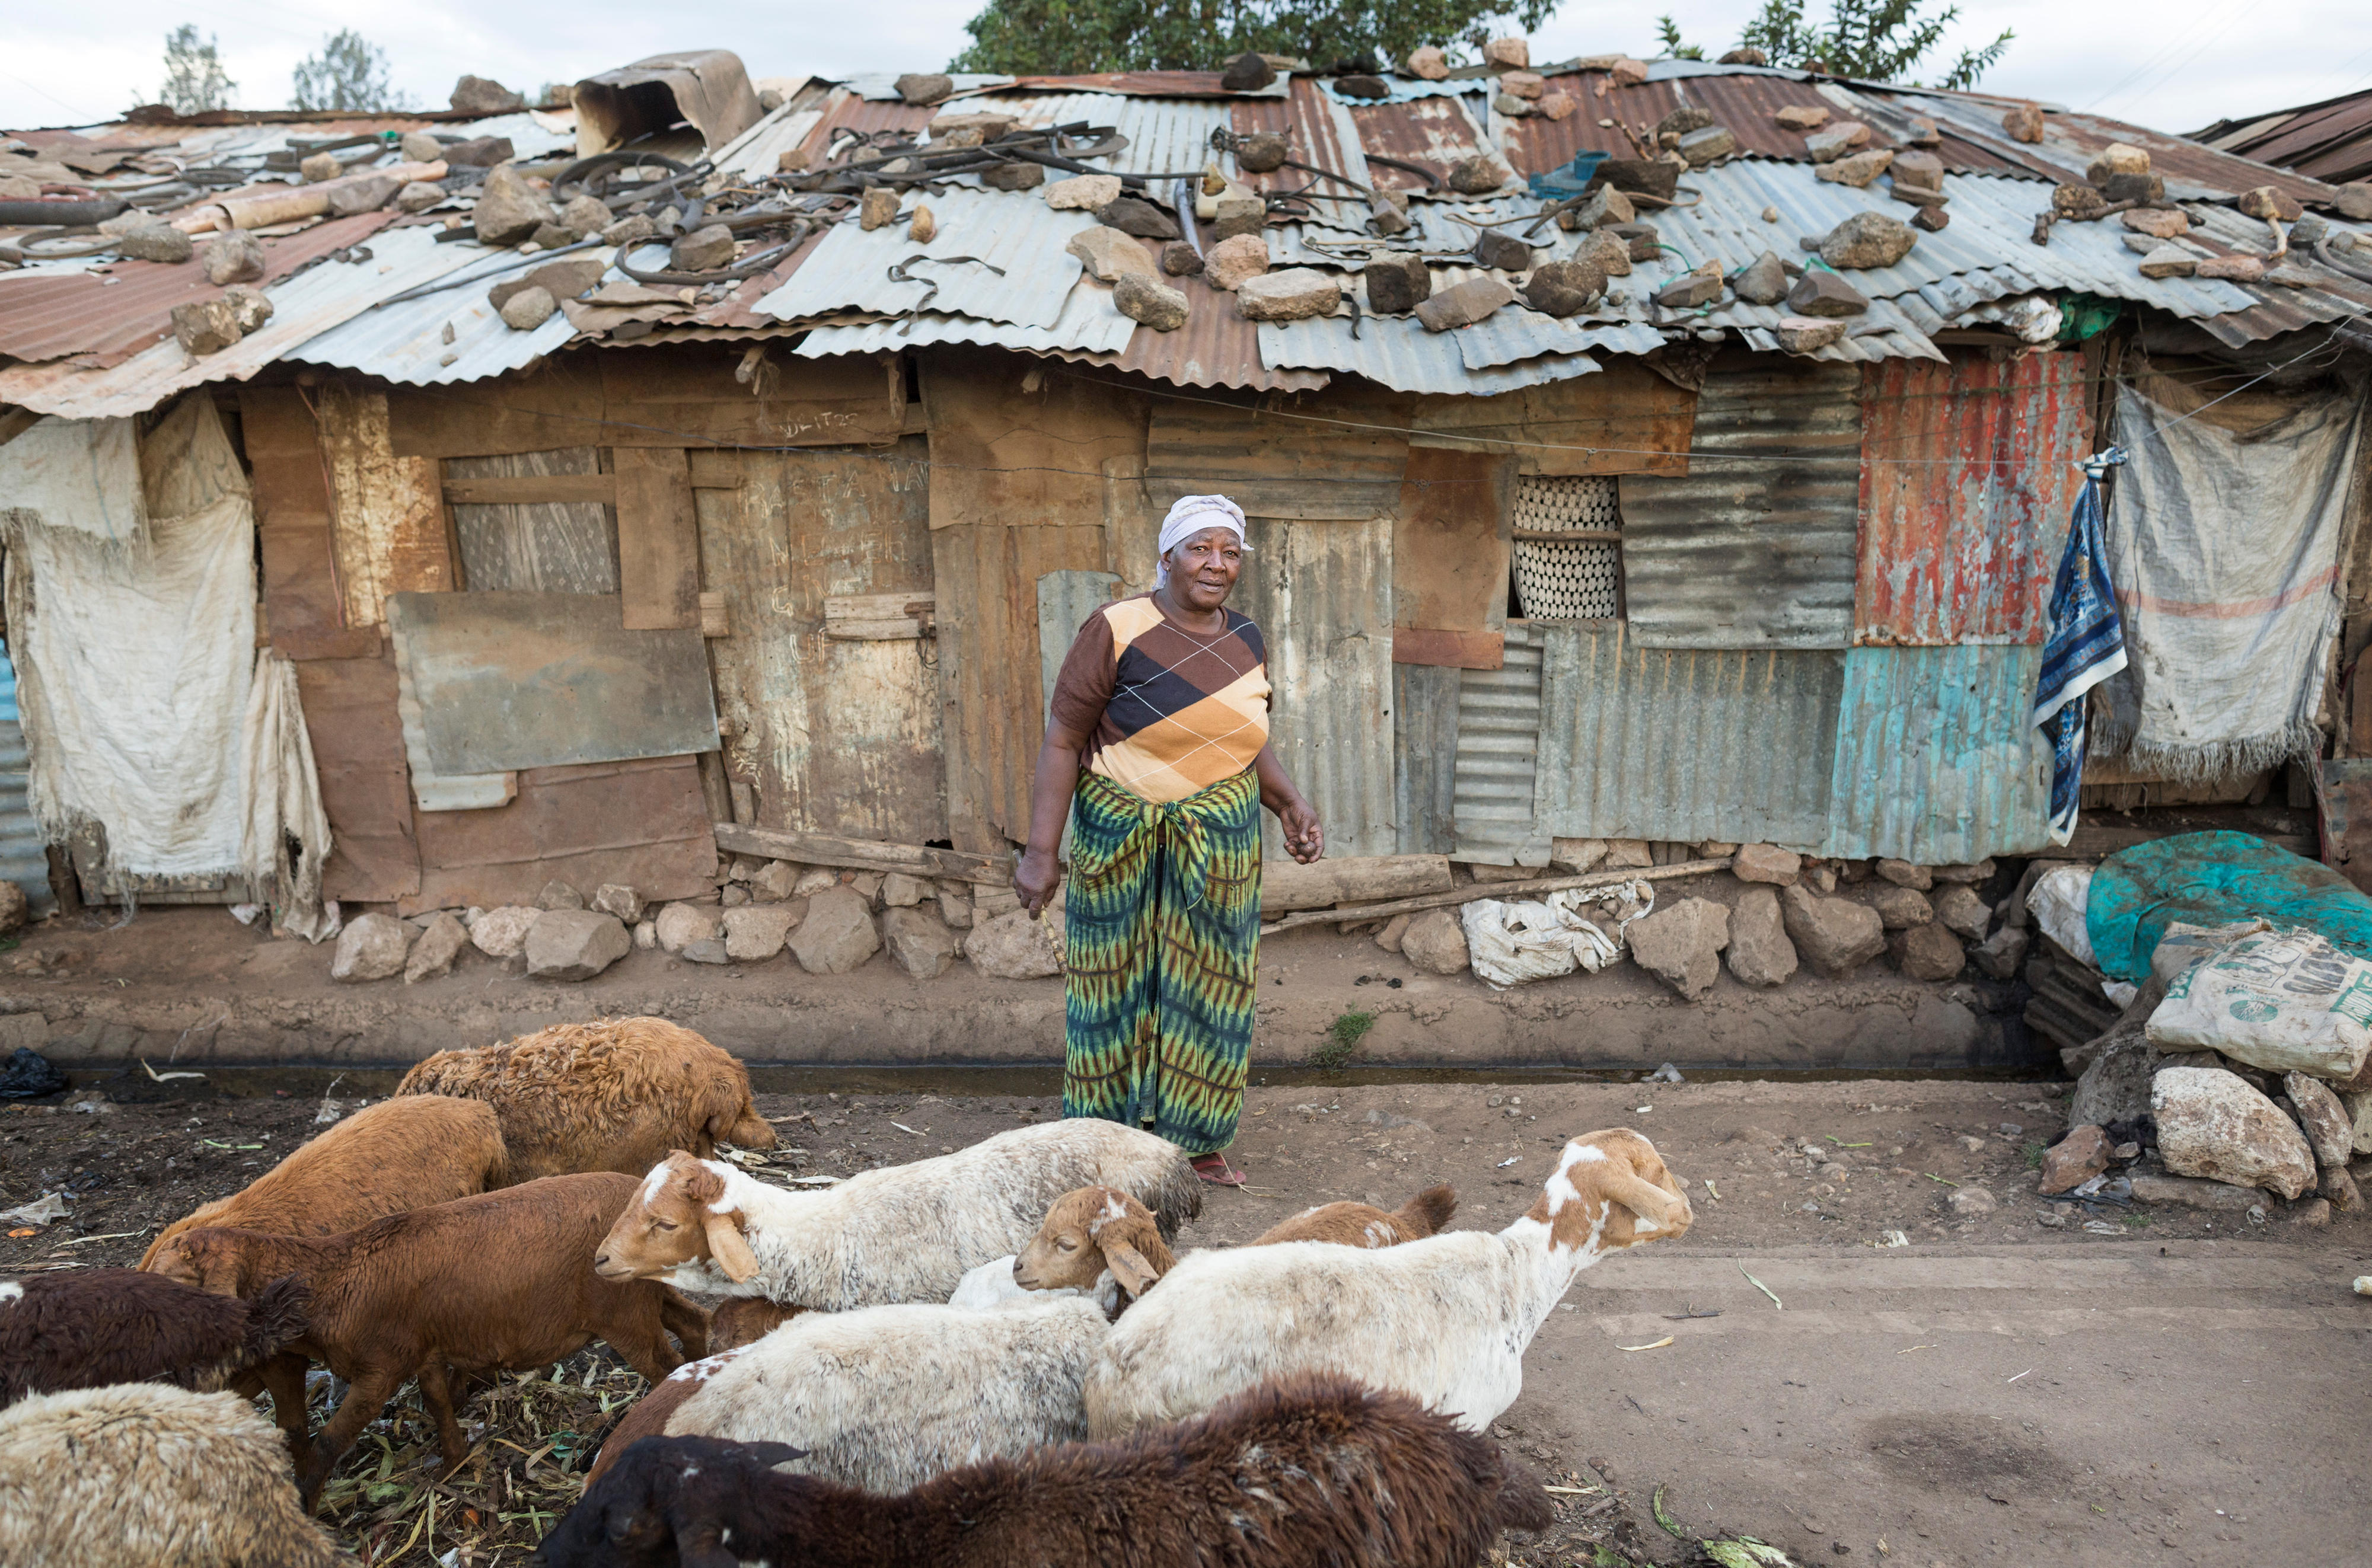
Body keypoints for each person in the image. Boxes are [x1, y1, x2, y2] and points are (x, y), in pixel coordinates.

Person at [1016, 495, 1324, 1186]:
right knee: (1110, 985)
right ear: (1167, 556)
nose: (1216, 563)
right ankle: (1097, 1142)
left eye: (1230, 551)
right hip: (1121, 829)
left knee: (1211, 983)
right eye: (1199, 548)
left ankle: (1196, 1140)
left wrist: (1290, 804)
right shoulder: (1116, 628)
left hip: (1217, 839)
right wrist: (1042, 851)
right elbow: (1065, 737)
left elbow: (1244, 739)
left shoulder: (1246, 638)